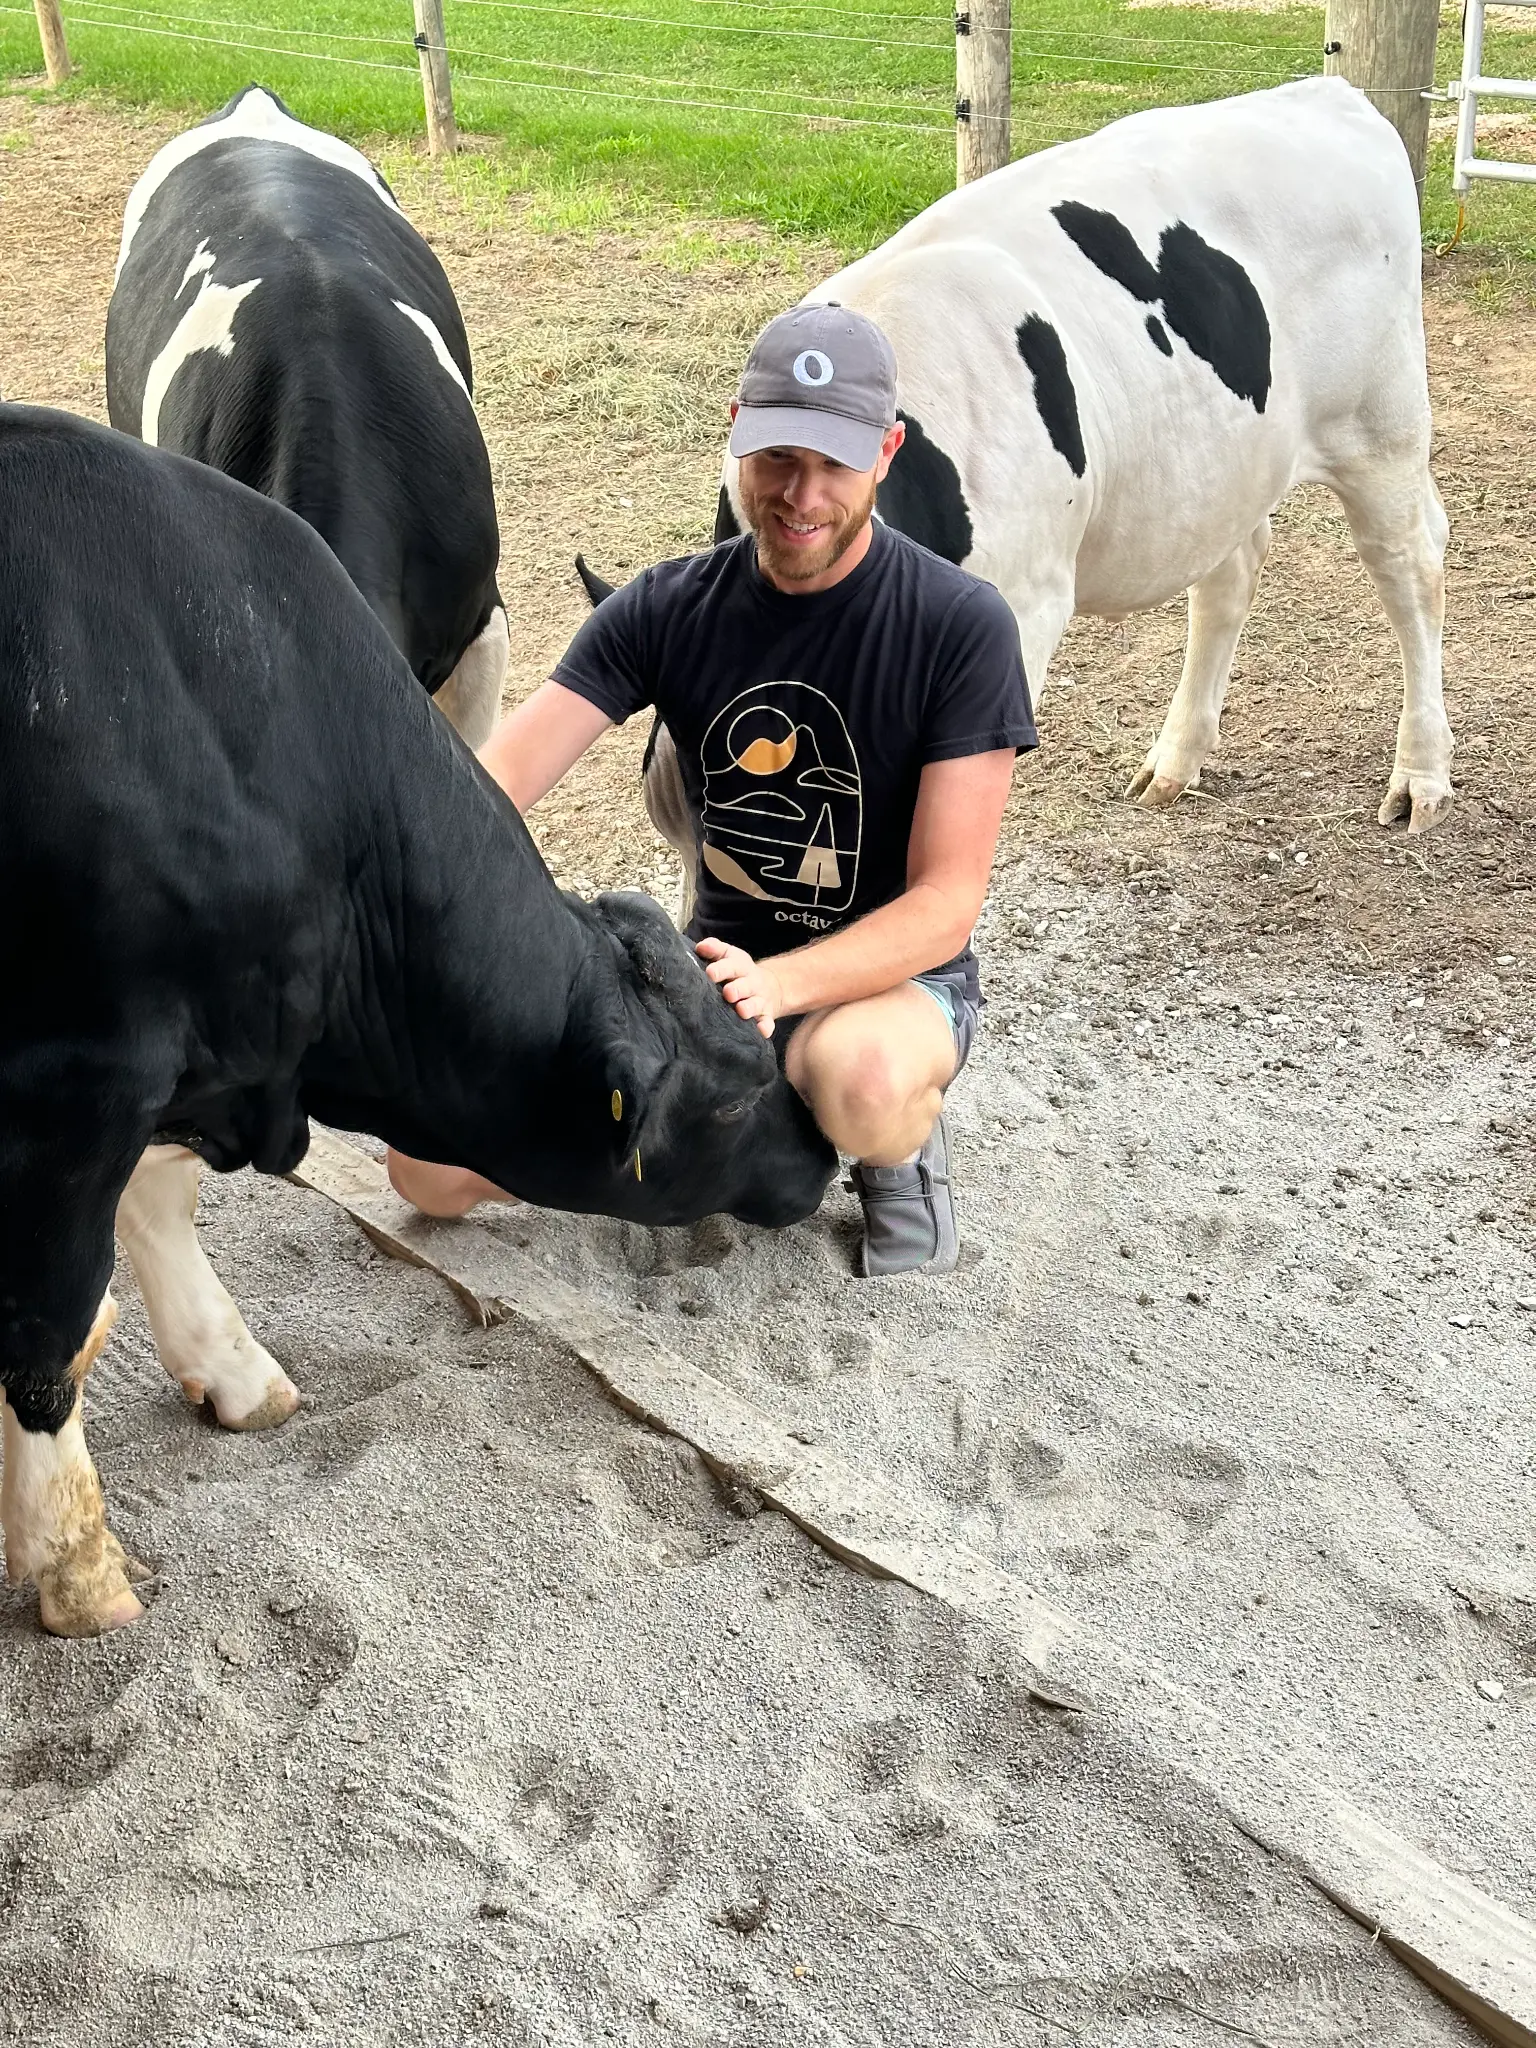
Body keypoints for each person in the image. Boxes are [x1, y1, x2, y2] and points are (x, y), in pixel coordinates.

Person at [388, 304, 1036, 1275]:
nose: (800, 493)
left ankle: (896, 1153)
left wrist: (781, 985)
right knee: (424, 1167)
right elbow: (496, 782)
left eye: (834, 463)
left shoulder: (961, 626)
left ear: (887, 453)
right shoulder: (667, 607)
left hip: (886, 989)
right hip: (714, 978)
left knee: (858, 1074)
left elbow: (946, 903)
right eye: (777, 454)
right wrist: (379, 872)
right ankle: (744, 1136)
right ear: (736, 429)